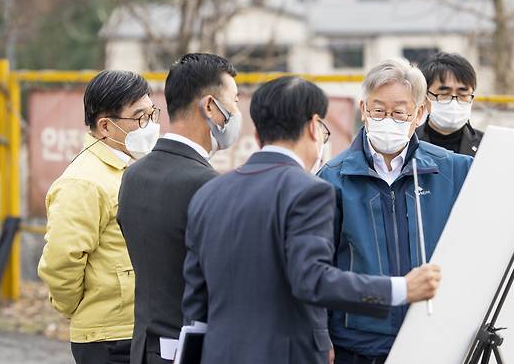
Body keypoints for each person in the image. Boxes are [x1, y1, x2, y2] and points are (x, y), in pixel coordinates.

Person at [182, 76, 442, 364]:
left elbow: (195, 300)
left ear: (257, 135)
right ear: (313, 127)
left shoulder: (210, 193)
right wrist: (402, 289)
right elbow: (312, 279)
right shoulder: (309, 190)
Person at [318, 58, 473, 363]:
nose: (387, 119)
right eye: (378, 110)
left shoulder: (454, 170)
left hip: (433, 340)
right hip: (358, 346)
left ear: (419, 113)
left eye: (399, 112)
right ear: (363, 110)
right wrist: (320, 336)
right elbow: (316, 268)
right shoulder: (333, 178)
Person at [117, 53, 240, 364]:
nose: (238, 112)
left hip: (145, 349)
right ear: (210, 106)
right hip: (193, 350)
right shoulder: (209, 185)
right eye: (235, 100)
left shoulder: (132, 175)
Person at [38, 70, 159, 364]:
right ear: (105, 126)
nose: (150, 126)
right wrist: (82, 308)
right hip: (107, 337)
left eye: (152, 114)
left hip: (131, 328)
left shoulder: (127, 168)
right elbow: (61, 262)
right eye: (140, 117)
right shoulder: (83, 181)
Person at [417, 52, 484, 157]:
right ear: (425, 97)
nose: (454, 101)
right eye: (444, 94)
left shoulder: (486, 144)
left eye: (463, 94)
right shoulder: (408, 143)